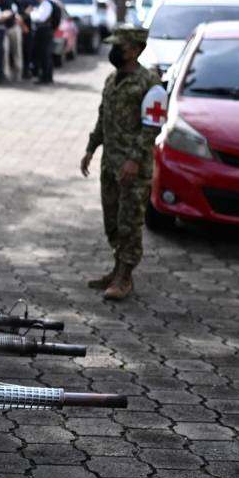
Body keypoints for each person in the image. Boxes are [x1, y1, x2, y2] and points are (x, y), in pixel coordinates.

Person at [80, 25, 165, 301]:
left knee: (129, 222)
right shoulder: (111, 79)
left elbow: (151, 128)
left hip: (133, 168)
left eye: (121, 46)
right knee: (112, 222)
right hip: (110, 164)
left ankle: (125, 277)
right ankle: (117, 269)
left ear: (136, 49)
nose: (114, 50)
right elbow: (103, 117)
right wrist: (91, 148)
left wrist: (134, 160)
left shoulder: (149, 84)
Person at [30, 0, 61, 84]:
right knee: (45, 54)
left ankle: (45, 77)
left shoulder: (46, 4)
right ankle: (46, 76)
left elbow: (40, 18)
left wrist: (32, 13)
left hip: (44, 32)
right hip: (46, 31)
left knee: (44, 55)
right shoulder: (48, 2)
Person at [0, 0, 23, 82]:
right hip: (3, 28)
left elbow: (20, 9)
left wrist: (18, 15)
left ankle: (18, 73)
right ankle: (6, 74)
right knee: (5, 51)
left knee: (17, 51)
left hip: (13, 27)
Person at [18, 0, 38, 79]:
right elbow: (19, 15)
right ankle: (25, 72)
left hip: (37, 29)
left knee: (35, 52)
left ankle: (34, 71)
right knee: (26, 51)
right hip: (26, 28)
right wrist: (24, 23)